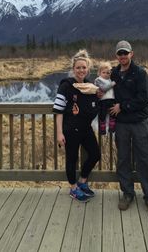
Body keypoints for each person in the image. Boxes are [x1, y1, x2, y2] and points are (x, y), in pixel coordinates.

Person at [110, 40, 148, 217]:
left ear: (132, 54)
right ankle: (127, 194)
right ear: (117, 56)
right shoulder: (114, 73)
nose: (123, 56)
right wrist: (100, 92)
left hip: (139, 122)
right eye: (120, 53)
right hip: (122, 124)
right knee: (123, 159)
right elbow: (109, 94)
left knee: (145, 159)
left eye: (126, 53)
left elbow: (143, 98)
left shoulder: (140, 73)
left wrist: (122, 106)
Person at [53, 49, 101, 202]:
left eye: (84, 67)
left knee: (95, 154)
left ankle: (82, 182)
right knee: (71, 159)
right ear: (73, 69)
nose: (81, 70)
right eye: (78, 67)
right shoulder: (66, 86)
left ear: (88, 69)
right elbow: (58, 111)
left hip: (86, 129)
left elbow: (97, 104)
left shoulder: (90, 87)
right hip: (70, 129)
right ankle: (73, 188)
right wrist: (59, 133)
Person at [94, 61, 116, 135]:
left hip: (112, 100)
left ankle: (112, 128)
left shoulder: (110, 79)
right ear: (99, 73)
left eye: (108, 73)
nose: (106, 74)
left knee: (113, 114)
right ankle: (102, 130)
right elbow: (103, 88)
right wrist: (113, 83)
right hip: (103, 101)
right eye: (104, 72)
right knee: (102, 115)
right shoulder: (98, 80)